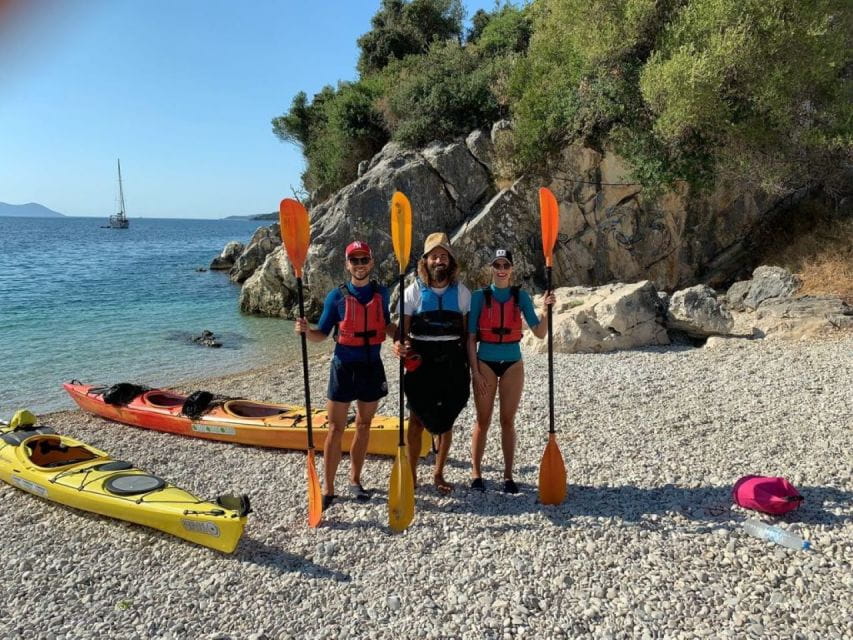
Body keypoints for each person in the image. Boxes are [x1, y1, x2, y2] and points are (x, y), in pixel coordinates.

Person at [295, 240, 396, 510]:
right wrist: (306, 331)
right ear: (347, 264)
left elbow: (385, 325)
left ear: (371, 262)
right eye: (355, 260)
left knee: (364, 425)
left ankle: (355, 479)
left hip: (372, 366)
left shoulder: (382, 293)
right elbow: (320, 335)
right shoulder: (336, 297)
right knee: (335, 428)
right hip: (343, 367)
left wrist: (401, 335)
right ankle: (328, 488)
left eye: (364, 260)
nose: (360, 265)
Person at [467, 248, 555, 493]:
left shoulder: (521, 296)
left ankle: (508, 476)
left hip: (513, 363)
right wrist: (474, 372)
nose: (502, 270)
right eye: (497, 265)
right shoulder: (479, 297)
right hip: (485, 362)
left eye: (506, 265)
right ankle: (476, 473)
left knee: (507, 421)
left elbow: (539, 332)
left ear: (512, 269)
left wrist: (547, 311)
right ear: (491, 268)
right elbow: (471, 337)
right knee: (482, 420)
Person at [393, 232, 472, 494]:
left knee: (446, 421)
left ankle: (438, 473)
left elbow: (466, 333)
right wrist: (399, 346)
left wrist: (472, 367)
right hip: (422, 362)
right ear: (425, 261)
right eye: (434, 256)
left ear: (450, 261)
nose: (439, 261)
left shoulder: (462, 293)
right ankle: (413, 473)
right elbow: (401, 334)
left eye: (444, 256)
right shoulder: (412, 292)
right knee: (416, 420)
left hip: (451, 360)